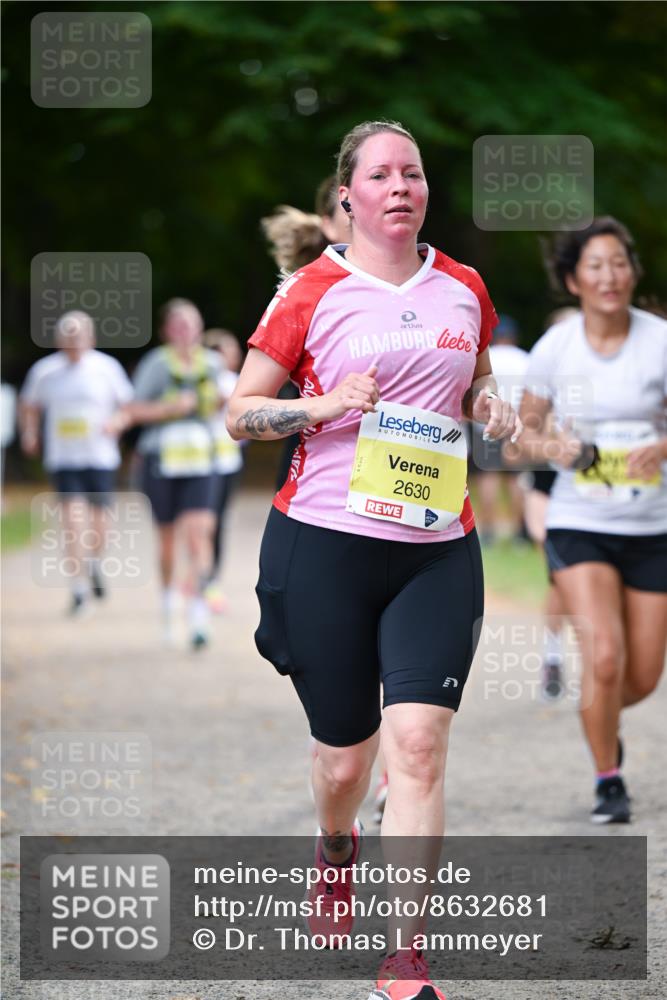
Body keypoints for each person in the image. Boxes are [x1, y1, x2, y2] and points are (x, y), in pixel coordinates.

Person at [228, 120, 521, 1000]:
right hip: (324, 546)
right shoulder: (312, 290)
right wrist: (318, 409)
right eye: (382, 175)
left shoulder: (463, 287)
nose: (400, 186)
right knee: (346, 764)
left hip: (435, 548)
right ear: (347, 196)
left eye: (414, 173)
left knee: (419, 748)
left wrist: (492, 403)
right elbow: (242, 412)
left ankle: (406, 958)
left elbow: (471, 381)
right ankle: (334, 847)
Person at [510, 217, 667, 823]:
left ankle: (602, 718)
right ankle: (608, 777)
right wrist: (559, 450)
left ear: (633, 271)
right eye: (595, 266)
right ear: (574, 280)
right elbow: (521, 437)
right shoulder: (557, 348)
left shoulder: (657, 340)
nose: (610, 276)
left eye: (619, 263)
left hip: (652, 525)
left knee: (643, 675)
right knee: (604, 657)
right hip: (581, 522)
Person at [120, 298, 222, 649]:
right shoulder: (155, 364)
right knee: (167, 541)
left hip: (201, 459)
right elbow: (132, 410)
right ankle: (168, 606)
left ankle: (197, 613)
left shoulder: (212, 363)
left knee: (198, 535)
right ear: (166, 330)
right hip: (160, 459)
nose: (185, 331)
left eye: (191, 323)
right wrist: (170, 408)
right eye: (177, 324)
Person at [19, 310, 133, 615]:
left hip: (100, 457)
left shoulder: (106, 368)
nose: (73, 342)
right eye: (68, 337)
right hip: (63, 459)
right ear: (59, 340)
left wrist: (116, 423)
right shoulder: (45, 372)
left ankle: (94, 562)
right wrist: (30, 433)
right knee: (72, 523)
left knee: (101, 526)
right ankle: (78, 589)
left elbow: (127, 408)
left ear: (90, 338)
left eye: (79, 336)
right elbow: (29, 405)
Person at [518, 308, 579, 701]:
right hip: (546, 490)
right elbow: (515, 445)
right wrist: (553, 443)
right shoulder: (539, 388)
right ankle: (554, 658)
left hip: (600, 497)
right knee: (559, 576)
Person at [470, 314, 529, 544]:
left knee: (487, 476)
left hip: (485, 423)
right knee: (517, 479)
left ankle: (488, 531)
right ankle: (519, 533)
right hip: (516, 422)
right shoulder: (524, 359)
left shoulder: (488, 357)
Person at [201, 328, 245, 613]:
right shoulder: (200, 381)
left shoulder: (237, 383)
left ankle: (211, 577)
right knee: (201, 523)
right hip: (200, 462)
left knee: (217, 521)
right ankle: (201, 577)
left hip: (229, 462)